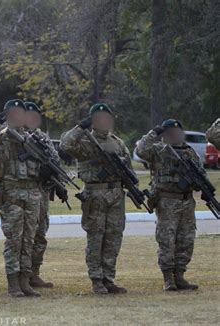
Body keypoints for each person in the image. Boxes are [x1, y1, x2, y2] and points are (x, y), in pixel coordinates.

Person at [0, 99, 42, 297]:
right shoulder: (0, 136)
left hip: (32, 193)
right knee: (14, 240)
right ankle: (13, 283)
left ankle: (25, 281)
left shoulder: (31, 136)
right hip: (12, 193)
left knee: (29, 239)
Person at [60, 103, 129, 295]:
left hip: (115, 194)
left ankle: (109, 278)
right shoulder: (85, 142)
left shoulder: (117, 142)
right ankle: (97, 280)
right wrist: (81, 127)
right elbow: (65, 144)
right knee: (96, 238)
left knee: (113, 238)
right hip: (95, 195)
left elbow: (128, 168)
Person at [136, 119, 202, 291]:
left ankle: (180, 276)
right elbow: (141, 150)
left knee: (186, 240)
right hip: (167, 201)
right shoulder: (158, 151)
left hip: (186, 201)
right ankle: (168, 279)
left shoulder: (189, 152)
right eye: (170, 133)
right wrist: (154, 133)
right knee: (167, 240)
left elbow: (201, 173)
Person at [24, 101, 58, 288]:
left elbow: (55, 160)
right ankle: (22, 274)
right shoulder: (15, 136)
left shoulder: (43, 137)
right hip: (24, 191)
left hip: (42, 191)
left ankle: (34, 272)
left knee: (40, 233)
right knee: (24, 235)